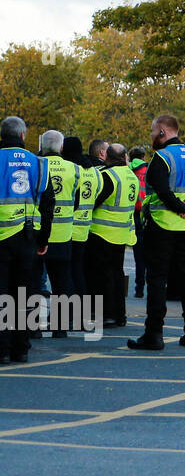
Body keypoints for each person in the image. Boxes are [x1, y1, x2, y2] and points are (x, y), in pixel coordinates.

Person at [129, 114, 185, 351]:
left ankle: (154, 334)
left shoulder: (162, 157)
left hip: (162, 225)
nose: (152, 136)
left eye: (154, 132)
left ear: (163, 132)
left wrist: (182, 209)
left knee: (157, 279)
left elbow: (161, 190)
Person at [0, 117, 55, 363]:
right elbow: (47, 204)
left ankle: (1, 348)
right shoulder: (39, 163)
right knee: (24, 293)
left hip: (2, 237)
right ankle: (21, 348)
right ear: (23, 136)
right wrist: (44, 239)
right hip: (28, 236)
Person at [86, 144, 138, 330]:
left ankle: (107, 315)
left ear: (106, 157)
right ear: (124, 157)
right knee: (116, 274)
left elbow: (96, 201)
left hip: (102, 232)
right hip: (122, 232)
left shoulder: (107, 176)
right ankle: (120, 315)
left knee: (103, 276)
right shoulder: (131, 175)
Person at [37, 130, 80, 338]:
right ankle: (60, 327)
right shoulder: (74, 169)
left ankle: (31, 327)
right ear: (61, 147)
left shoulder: (36, 165)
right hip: (63, 233)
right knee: (62, 281)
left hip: (37, 234)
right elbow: (77, 201)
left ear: (42, 146)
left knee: (33, 281)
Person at [63, 136, 96, 330]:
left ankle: (66, 315)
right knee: (79, 270)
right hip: (85, 225)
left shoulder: (70, 169)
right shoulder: (91, 170)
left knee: (66, 273)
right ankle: (83, 315)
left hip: (68, 225)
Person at [128, 145, 151, 298]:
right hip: (149, 214)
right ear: (143, 157)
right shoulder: (150, 171)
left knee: (138, 255)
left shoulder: (128, 171)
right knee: (151, 254)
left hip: (134, 215)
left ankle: (139, 288)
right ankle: (153, 286)